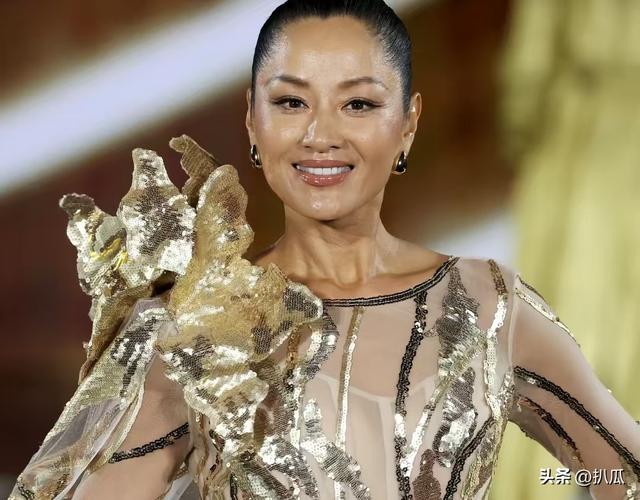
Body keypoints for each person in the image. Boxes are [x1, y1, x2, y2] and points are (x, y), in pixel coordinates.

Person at [11, 1, 640, 499]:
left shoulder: (489, 306)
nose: (320, 135)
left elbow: (618, 472)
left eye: (358, 104)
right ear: (253, 121)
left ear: (408, 122)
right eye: (291, 102)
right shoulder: (194, 324)